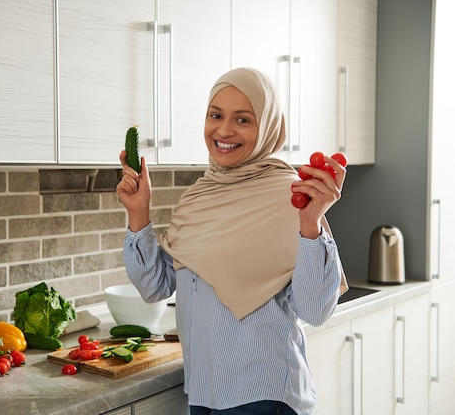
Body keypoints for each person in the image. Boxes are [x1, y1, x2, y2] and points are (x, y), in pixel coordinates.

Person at [116, 67, 348, 415]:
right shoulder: (197, 199)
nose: (224, 130)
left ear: (267, 127)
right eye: (216, 115)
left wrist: (311, 224)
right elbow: (156, 287)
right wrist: (138, 214)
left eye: (243, 119)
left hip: (264, 395)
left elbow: (315, 311)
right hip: (204, 392)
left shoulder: (292, 196)